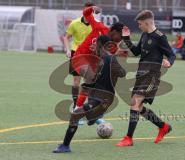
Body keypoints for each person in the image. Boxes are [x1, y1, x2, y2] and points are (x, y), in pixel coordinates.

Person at [53, 35, 126, 153]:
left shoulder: (109, 59)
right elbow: (117, 74)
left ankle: (65, 146)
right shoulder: (100, 58)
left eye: (95, 43)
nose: (93, 45)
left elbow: (122, 73)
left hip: (103, 98)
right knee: (79, 114)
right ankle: (93, 117)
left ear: (101, 45)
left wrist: (110, 73)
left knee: (75, 115)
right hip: (96, 96)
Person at [116, 10, 175, 147]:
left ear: (147, 22)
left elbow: (171, 55)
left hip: (152, 75)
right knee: (139, 106)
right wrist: (126, 39)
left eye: (140, 23)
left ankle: (128, 138)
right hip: (141, 74)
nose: (139, 26)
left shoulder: (160, 37)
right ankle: (163, 126)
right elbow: (136, 52)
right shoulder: (144, 35)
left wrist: (169, 62)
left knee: (135, 102)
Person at [63, 2, 94, 109]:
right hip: (76, 54)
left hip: (90, 55)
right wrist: (67, 50)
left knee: (90, 81)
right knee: (76, 81)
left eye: (90, 11)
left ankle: (89, 105)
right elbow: (66, 37)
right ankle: (76, 106)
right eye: (86, 11)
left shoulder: (96, 24)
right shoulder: (75, 23)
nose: (87, 13)